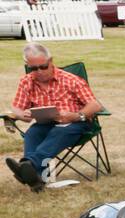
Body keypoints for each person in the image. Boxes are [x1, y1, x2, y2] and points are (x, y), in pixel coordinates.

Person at [6, 43, 103, 192]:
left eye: (43, 66)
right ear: (27, 65)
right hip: (45, 123)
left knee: (59, 132)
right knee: (32, 133)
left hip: (76, 123)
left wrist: (76, 116)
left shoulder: (71, 80)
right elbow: (16, 107)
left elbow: (95, 105)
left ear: (51, 61)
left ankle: (28, 166)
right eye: (34, 68)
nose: (39, 71)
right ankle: (36, 179)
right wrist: (21, 114)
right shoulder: (26, 82)